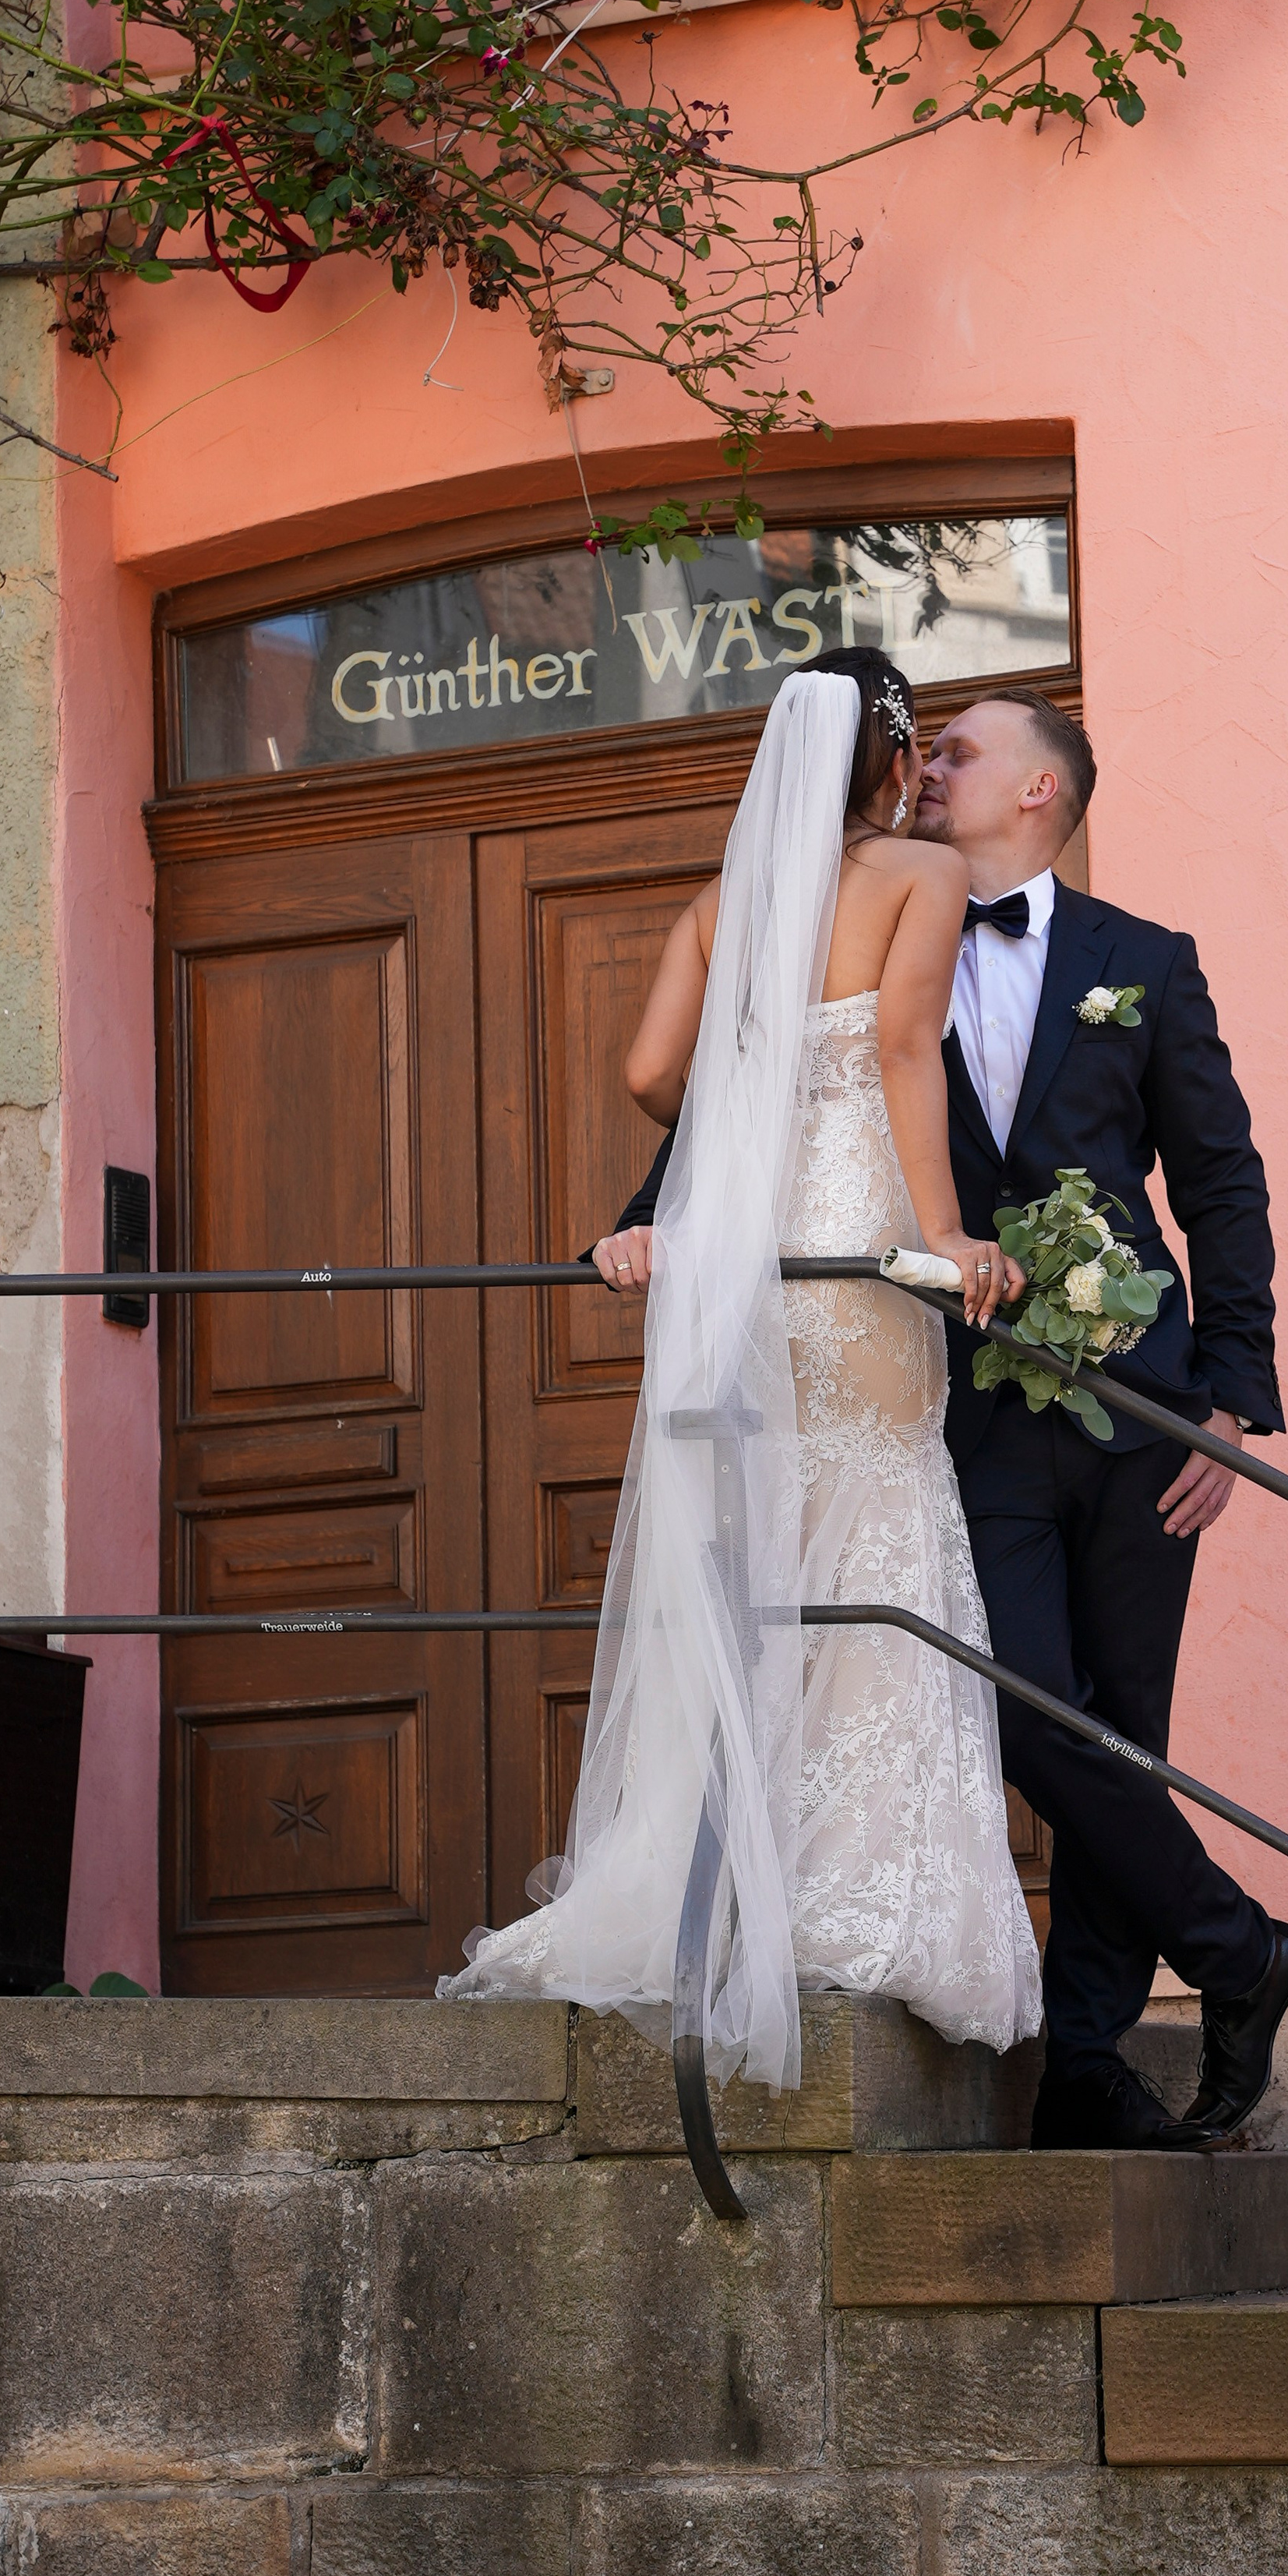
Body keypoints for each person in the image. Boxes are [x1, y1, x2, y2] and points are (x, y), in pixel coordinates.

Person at [590, 682, 1288, 2151]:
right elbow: (764, 1100)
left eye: (967, 751)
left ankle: (1092, 2065)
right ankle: (1245, 1951)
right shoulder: (850, 914)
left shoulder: (1146, 965)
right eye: (922, 751)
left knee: (1127, 1725)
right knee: (1023, 1703)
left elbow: (1221, 1185)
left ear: (1041, 792)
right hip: (957, 1402)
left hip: (1137, 1406)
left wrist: (1232, 1404)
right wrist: (645, 1217)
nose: (931, 771)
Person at [439, 657, 1043, 2083]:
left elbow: (653, 1079)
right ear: (891, 758)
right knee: (876, 1524)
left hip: (732, 1250)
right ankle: (860, 1895)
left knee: (750, 1543)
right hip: (849, 1236)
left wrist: (756, 1048)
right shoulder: (914, 873)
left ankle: (722, 1883)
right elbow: (904, 1046)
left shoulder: (723, 904)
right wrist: (946, 1236)